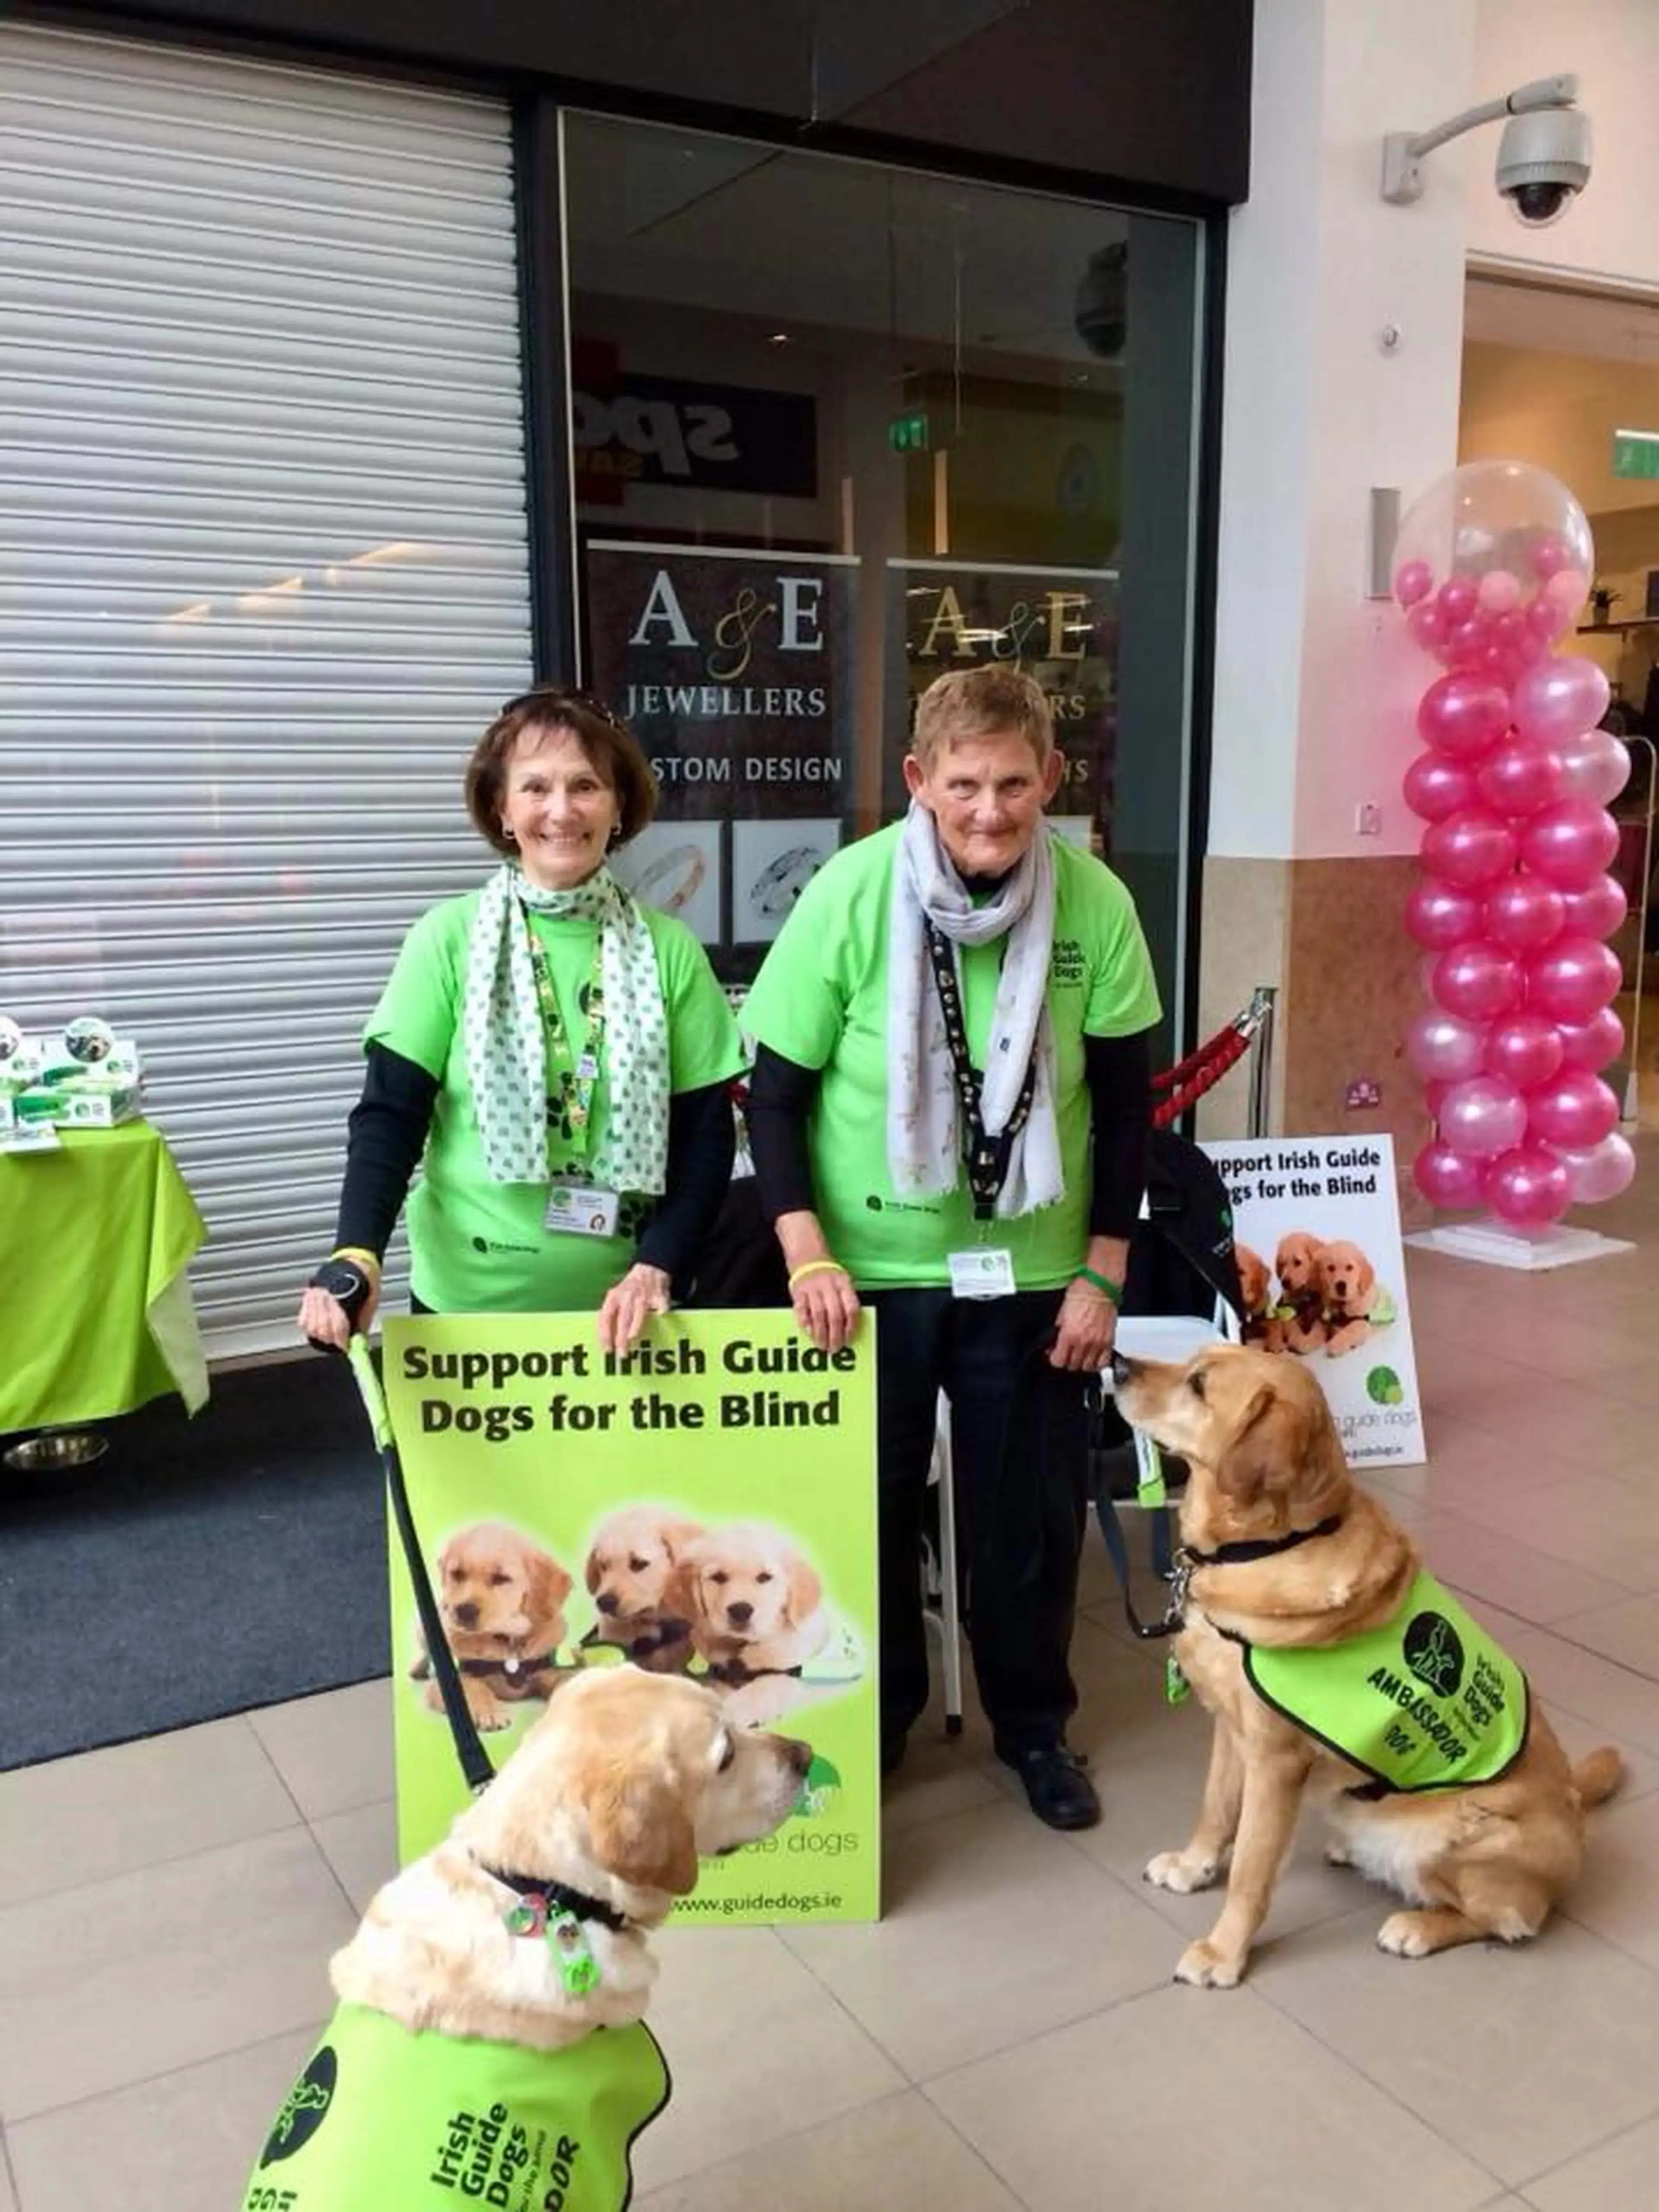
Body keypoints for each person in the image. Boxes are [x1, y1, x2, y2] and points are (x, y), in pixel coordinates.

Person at [741, 666, 1160, 1831]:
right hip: (867, 1275)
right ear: (920, 781)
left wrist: (1103, 1272)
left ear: (1053, 781)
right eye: (965, 783)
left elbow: (1128, 1108)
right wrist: (806, 1253)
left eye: (1015, 784)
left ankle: (1034, 1726)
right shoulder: (849, 893)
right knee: (866, 1509)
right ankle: (874, 1724)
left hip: (1034, 1274)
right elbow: (772, 1096)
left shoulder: (1096, 905)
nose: (990, 810)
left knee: (1026, 1517)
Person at [298, 688, 744, 1355]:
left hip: (628, 1317)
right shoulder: (447, 941)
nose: (561, 811)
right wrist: (358, 1251)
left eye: (585, 786)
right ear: (502, 810)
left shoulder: (668, 949)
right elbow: (391, 1115)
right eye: (535, 788)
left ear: (618, 806)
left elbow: (706, 1138)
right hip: (466, 1317)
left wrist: (660, 1266)